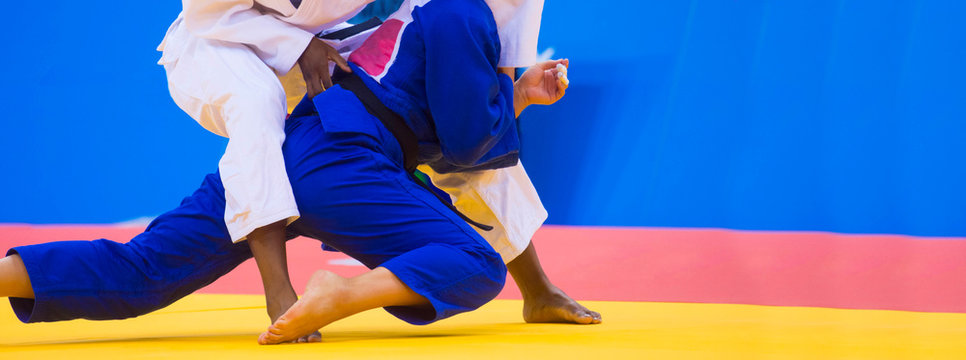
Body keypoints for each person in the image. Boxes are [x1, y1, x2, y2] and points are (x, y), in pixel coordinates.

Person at [0, 0, 583, 345]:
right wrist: (517, 98)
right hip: (342, 161)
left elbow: (439, 115)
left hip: (291, 142)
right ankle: (341, 292)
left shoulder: (417, 19)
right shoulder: (460, 13)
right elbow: (469, 147)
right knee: (476, 264)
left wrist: (516, 90)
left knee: (142, 270)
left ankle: (6, 276)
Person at [158, 0, 373, 332]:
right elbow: (207, 12)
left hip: (325, 42)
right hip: (217, 38)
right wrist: (298, 46)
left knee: (398, 90)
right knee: (255, 100)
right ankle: (278, 289)